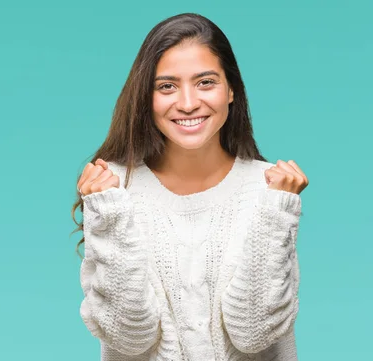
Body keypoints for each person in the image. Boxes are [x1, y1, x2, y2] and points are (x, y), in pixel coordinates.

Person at [71, 13, 309, 361]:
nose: (187, 103)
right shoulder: (113, 191)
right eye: (167, 86)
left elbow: (255, 332)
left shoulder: (269, 191)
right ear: (145, 97)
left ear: (231, 90)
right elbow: (127, 335)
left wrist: (277, 213)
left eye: (205, 82)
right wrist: (108, 216)